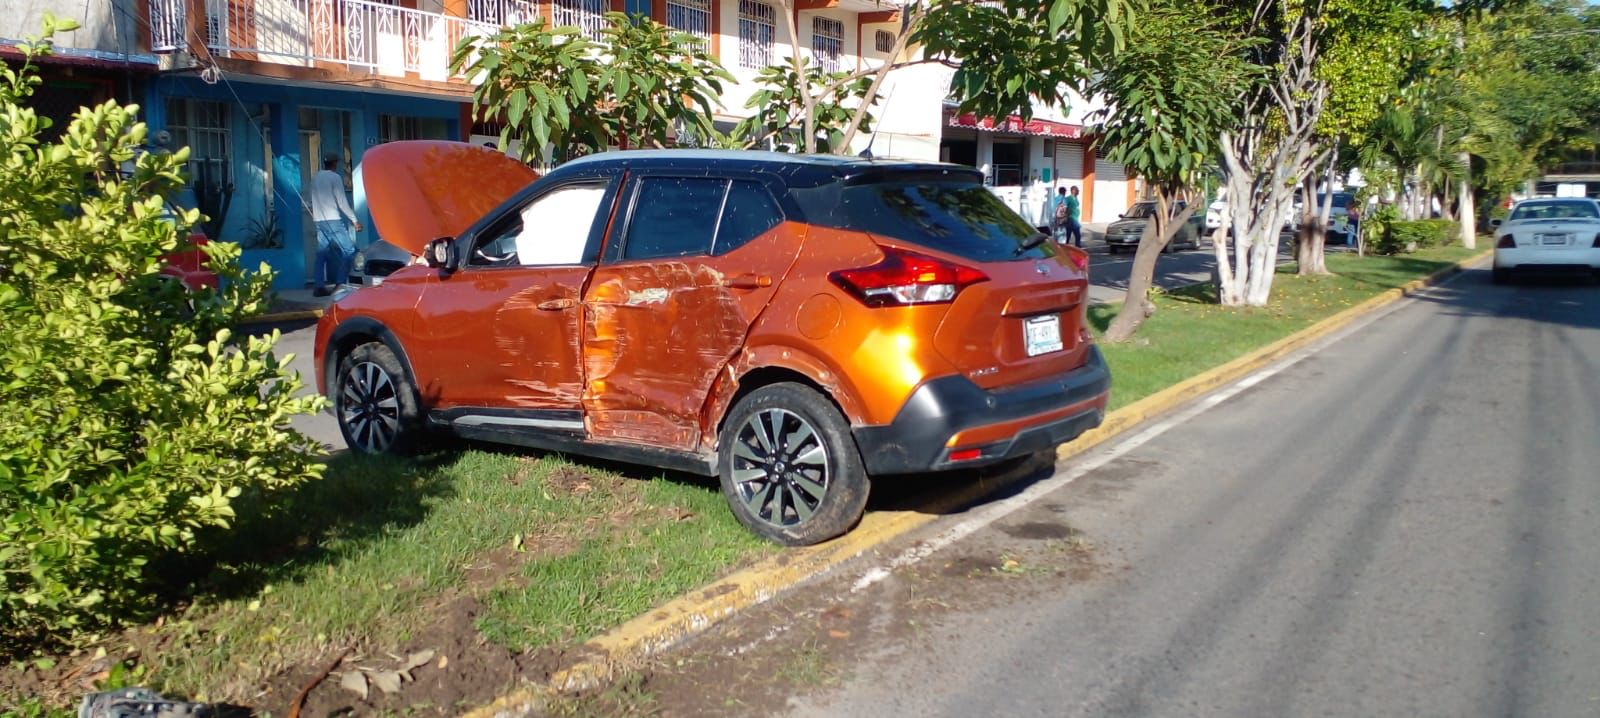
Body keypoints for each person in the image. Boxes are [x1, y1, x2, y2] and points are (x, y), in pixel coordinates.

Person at [310, 154, 361, 296]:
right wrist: (354, 220)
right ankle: (340, 284)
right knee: (349, 251)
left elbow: (312, 199)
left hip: (319, 220)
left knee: (321, 253)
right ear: (334, 164)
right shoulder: (335, 177)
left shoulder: (315, 177)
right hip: (333, 220)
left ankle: (319, 286)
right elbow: (342, 201)